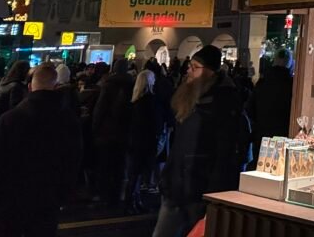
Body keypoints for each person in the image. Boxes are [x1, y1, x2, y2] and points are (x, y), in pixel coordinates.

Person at [153, 46, 248, 237]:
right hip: (176, 185)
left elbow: (226, 152)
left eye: (195, 67)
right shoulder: (189, 98)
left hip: (200, 187)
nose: (189, 71)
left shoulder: (224, 104)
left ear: (209, 72)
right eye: (190, 66)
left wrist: (214, 192)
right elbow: (179, 144)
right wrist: (167, 177)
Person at [0, 63, 83, 236]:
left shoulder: (10, 120)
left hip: (11, 198)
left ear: (29, 87)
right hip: (48, 198)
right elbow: (73, 161)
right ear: (56, 86)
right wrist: (64, 194)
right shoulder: (69, 121)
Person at [92, 59, 134, 209]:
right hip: (124, 132)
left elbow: (100, 108)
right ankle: (116, 195)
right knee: (120, 165)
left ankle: (104, 195)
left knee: (104, 164)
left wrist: (95, 128)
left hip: (107, 131)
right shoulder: (132, 84)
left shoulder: (109, 84)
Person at [247, 49, 293, 167]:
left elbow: (250, 109)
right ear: (290, 63)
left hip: (262, 135)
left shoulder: (262, 83)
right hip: (284, 136)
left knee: (260, 168)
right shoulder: (291, 85)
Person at [125, 70, 161, 213]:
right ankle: (133, 201)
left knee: (134, 173)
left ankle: (133, 199)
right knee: (137, 173)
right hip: (145, 142)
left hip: (134, 142)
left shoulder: (134, 102)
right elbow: (155, 123)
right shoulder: (150, 101)